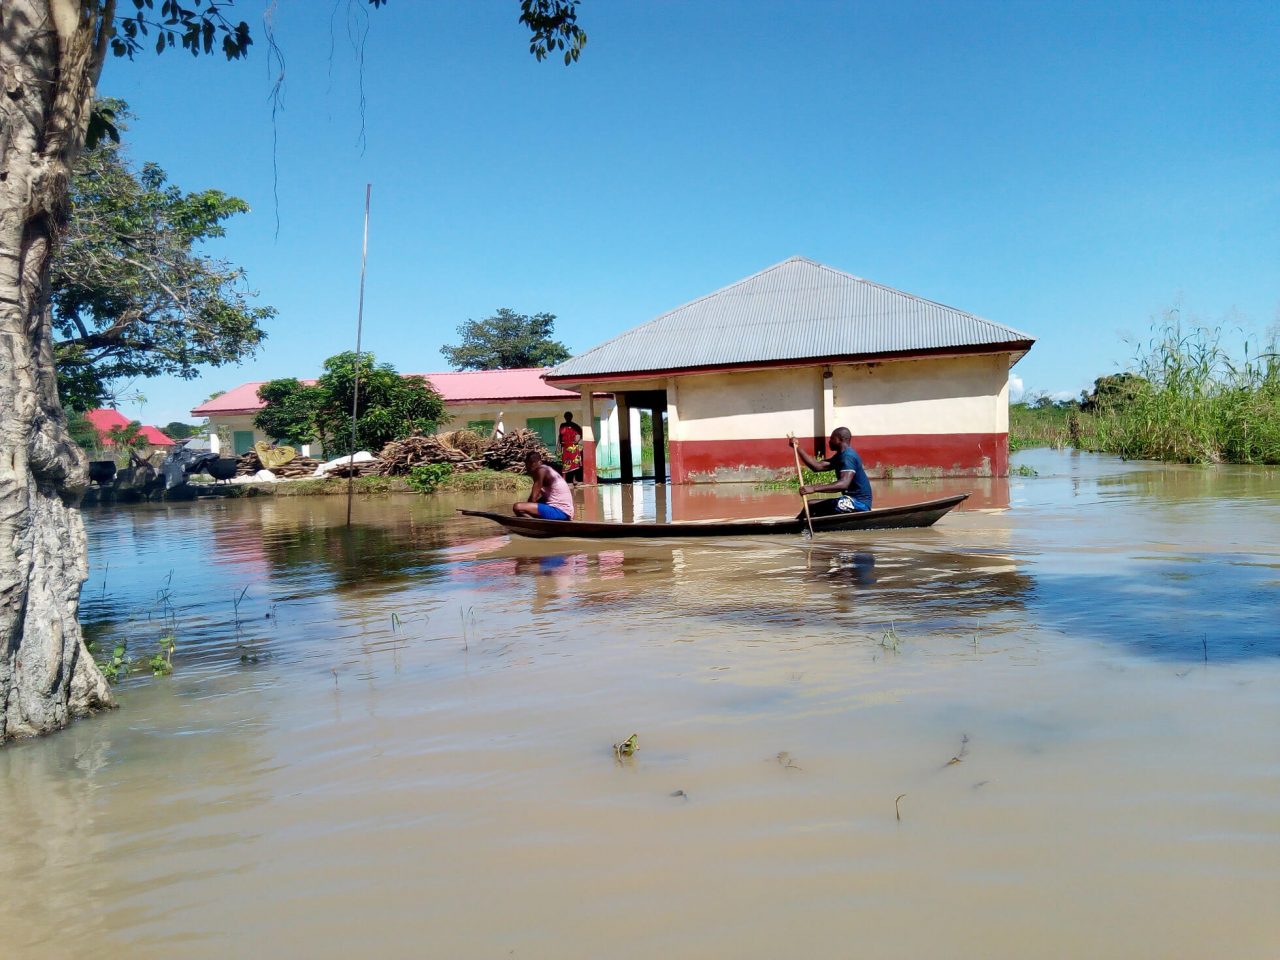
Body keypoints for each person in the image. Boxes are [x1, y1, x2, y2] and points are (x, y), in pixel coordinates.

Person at [787, 427, 873, 517]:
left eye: (832, 438)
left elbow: (844, 484)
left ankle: (795, 528)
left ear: (840, 439)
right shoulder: (840, 456)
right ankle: (798, 526)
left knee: (810, 505)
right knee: (810, 505)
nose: (829, 441)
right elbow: (817, 466)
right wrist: (797, 447)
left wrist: (813, 488)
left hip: (859, 503)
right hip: (849, 499)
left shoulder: (848, 457)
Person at [513, 450, 576, 521]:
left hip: (560, 512)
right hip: (567, 513)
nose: (528, 468)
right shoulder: (548, 470)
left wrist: (526, 508)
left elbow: (533, 498)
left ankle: (535, 526)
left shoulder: (541, 470)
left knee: (517, 507)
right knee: (534, 504)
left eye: (529, 465)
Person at [558, 411, 584, 485]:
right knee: (566, 464)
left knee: (575, 464)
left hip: (573, 447)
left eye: (569, 416)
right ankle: (565, 480)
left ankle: (574, 479)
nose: (567, 418)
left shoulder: (575, 426)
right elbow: (560, 436)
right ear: (565, 417)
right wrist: (560, 444)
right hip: (565, 448)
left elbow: (582, 433)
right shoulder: (562, 425)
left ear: (571, 417)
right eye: (566, 416)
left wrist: (577, 441)